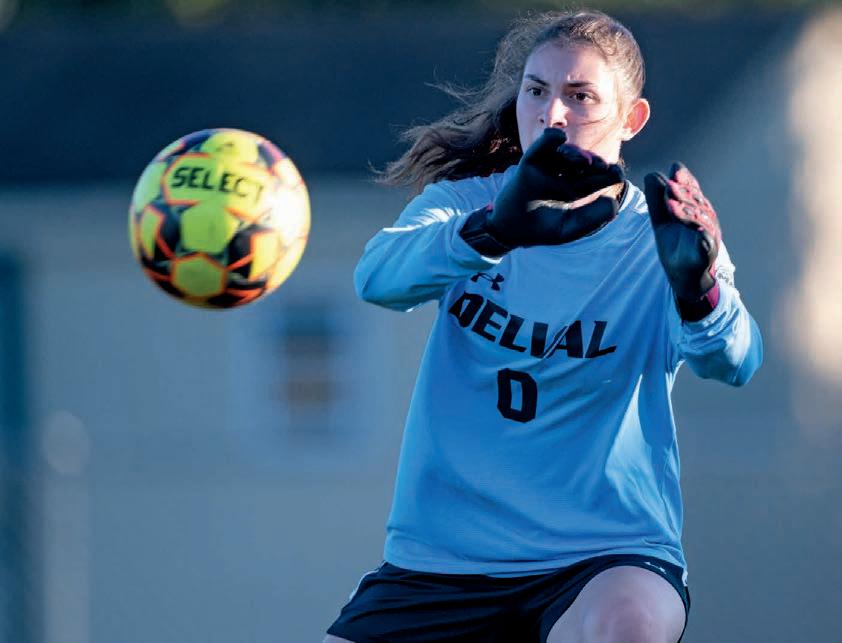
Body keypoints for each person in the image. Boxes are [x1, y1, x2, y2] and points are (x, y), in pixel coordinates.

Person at [325, 9, 762, 643]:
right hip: (441, 564)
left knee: (629, 628)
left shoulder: (663, 234)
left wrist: (699, 291)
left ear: (632, 118)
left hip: (602, 557)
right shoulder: (467, 205)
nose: (552, 113)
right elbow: (377, 279)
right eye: (536, 90)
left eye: (581, 96)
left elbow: (737, 362)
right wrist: (494, 231)